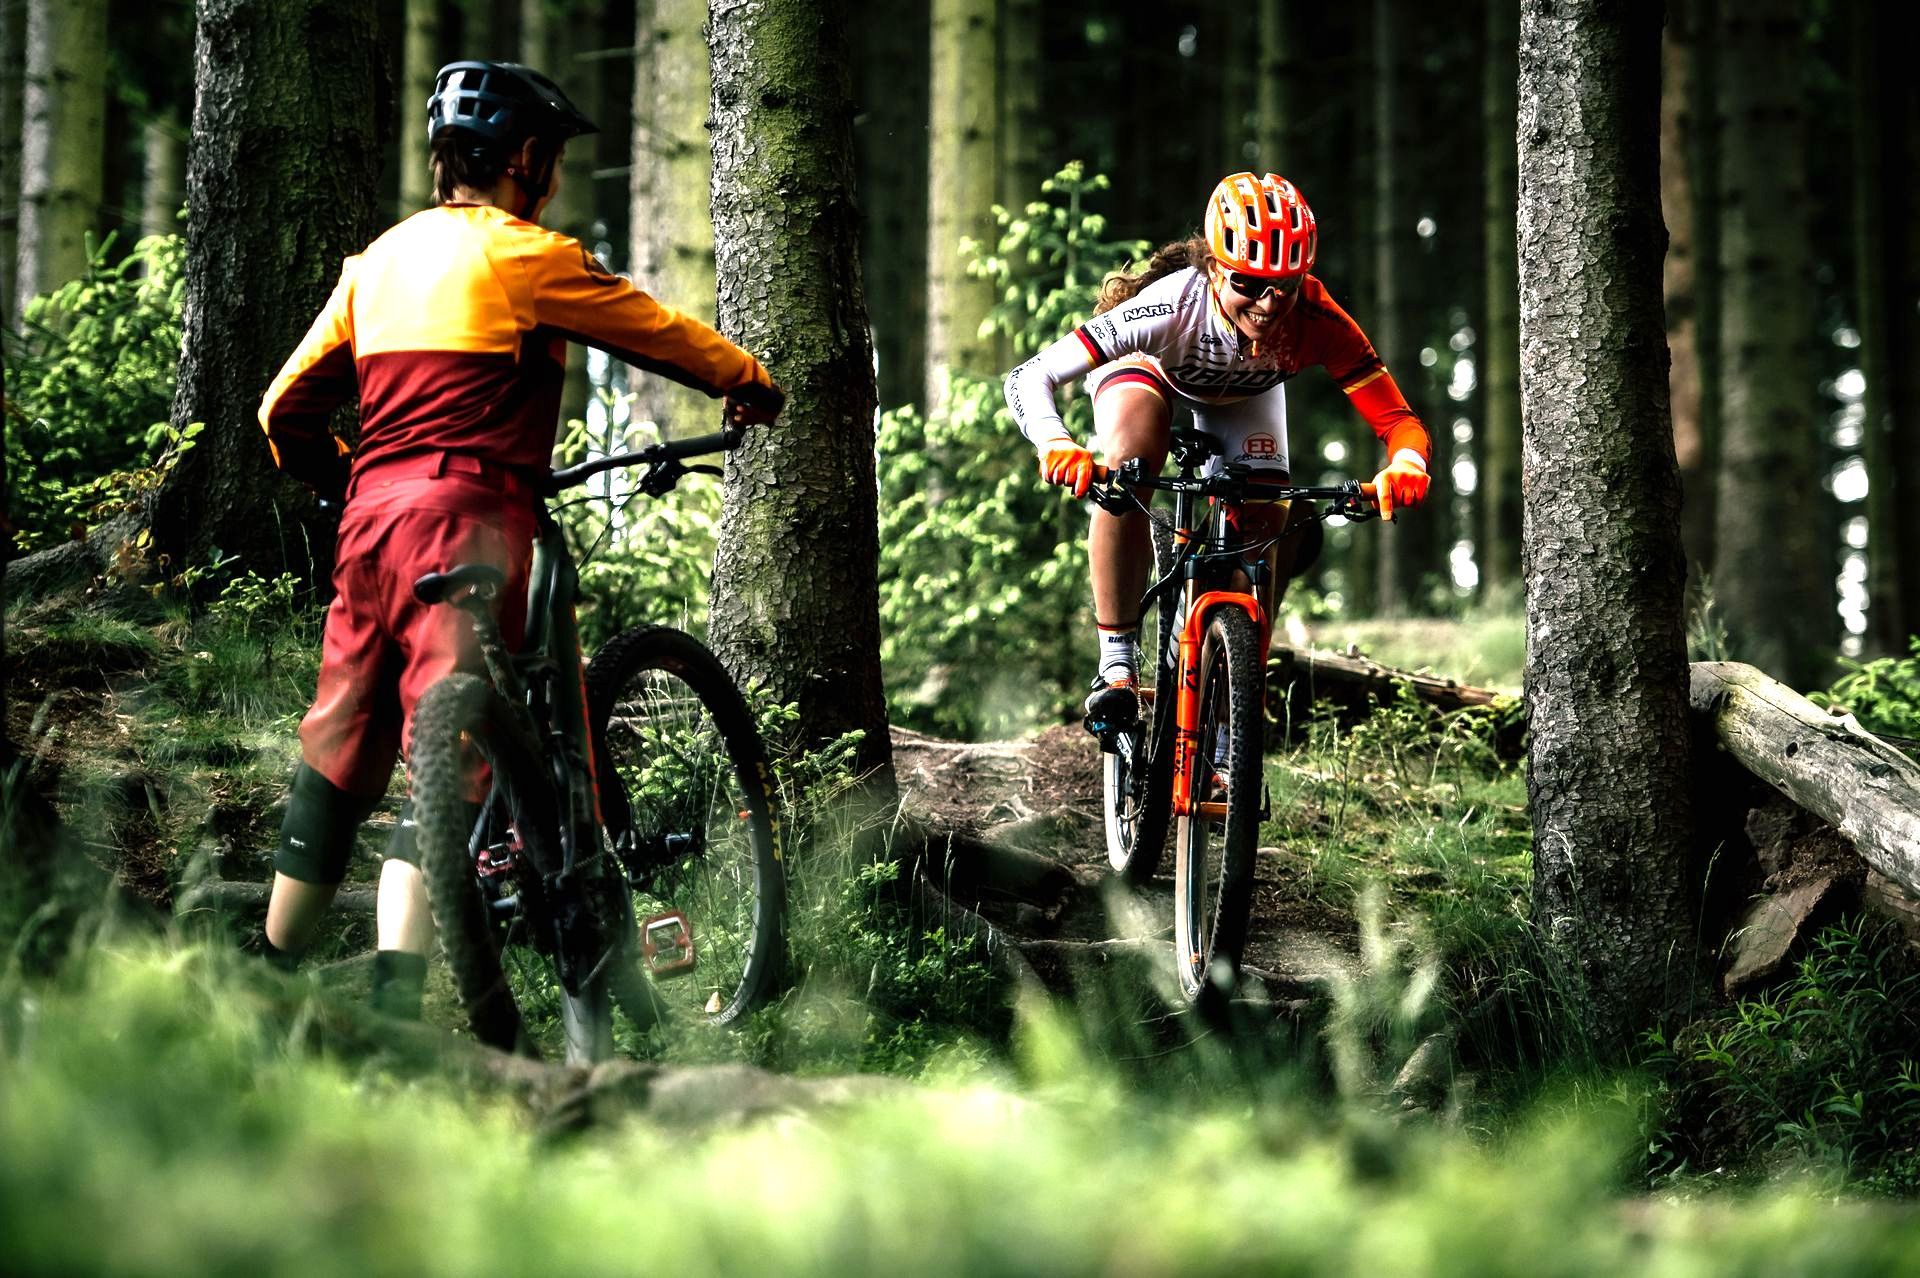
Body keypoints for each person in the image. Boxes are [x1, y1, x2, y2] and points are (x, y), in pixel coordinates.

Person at [253, 61, 784, 1017]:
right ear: (526, 158)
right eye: (550, 156)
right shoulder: (524, 253)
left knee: (340, 736)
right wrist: (748, 379)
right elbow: (652, 328)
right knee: (450, 749)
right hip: (469, 522)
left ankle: (267, 976)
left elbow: (280, 409)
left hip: (368, 525)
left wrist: (355, 479)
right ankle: (393, 1008)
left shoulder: (372, 266)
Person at [1002, 171, 1433, 729]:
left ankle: (1234, 711)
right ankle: (1116, 665)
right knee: (1132, 461)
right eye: (1250, 283)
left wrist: (1407, 463)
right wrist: (1056, 443)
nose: (1269, 302)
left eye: (1287, 284)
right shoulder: (1169, 307)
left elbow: (1397, 420)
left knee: (1264, 514)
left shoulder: (1317, 320)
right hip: (1151, 372)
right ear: (1213, 268)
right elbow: (1027, 378)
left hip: (1243, 396)